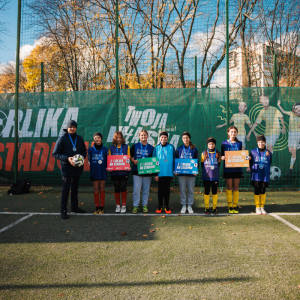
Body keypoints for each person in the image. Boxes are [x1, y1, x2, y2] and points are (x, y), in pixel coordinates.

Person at [52, 120, 87, 219]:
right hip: (66, 168)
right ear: (67, 128)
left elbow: (84, 151)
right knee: (66, 190)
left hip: (77, 168)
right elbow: (55, 153)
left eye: (74, 127)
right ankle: (63, 210)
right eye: (70, 127)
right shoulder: (62, 138)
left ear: (76, 128)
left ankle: (74, 207)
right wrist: (67, 159)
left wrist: (81, 158)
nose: (72, 128)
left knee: (75, 189)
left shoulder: (79, 139)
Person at [130, 130, 154, 214]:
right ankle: (135, 206)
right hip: (137, 171)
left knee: (146, 190)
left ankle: (144, 205)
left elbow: (153, 160)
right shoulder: (135, 146)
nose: (143, 137)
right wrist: (133, 161)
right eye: (141, 135)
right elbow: (129, 156)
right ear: (139, 137)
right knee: (136, 189)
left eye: (145, 135)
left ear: (147, 136)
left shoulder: (151, 147)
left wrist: (152, 169)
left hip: (147, 172)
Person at [175, 132, 198, 214]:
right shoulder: (179, 149)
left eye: (187, 138)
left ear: (189, 139)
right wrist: (176, 170)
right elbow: (176, 160)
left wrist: (196, 169)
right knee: (182, 190)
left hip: (191, 173)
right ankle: (184, 205)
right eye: (184, 138)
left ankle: (190, 205)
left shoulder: (194, 148)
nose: (185, 139)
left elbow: (196, 160)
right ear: (182, 139)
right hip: (181, 173)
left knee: (191, 190)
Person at [221, 126, 243, 214]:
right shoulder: (224, 143)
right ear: (228, 133)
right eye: (231, 132)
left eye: (234, 132)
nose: (233, 133)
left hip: (237, 168)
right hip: (228, 168)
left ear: (237, 133)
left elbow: (241, 154)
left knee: (236, 186)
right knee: (229, 186)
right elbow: (222, 155)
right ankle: (230, 205)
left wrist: (246, 157)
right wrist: (222, 157)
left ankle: (235, 205)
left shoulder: (240, 143)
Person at [152, 131, 175, 214]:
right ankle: (160, 206)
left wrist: (173, 171)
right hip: (160, 173)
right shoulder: (156, 148)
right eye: (162, 137)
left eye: (165, 137)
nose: (163, 138)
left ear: (167, 138)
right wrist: (155, 174)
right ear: (159, 138)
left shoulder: (171, 147)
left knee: (167, 190)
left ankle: (166, 206)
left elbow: (174, 160)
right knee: (160, 190)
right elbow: (154, 161)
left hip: (169, 172)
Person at [249, 135, 272, 215]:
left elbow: (269, 164)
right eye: (259, 142)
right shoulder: (253, 151)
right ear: (257, 143)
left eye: (262, 142)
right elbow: (248, 161)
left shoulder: (269, 153)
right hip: (256, 175)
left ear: (264, 142)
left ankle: (262, 207)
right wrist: (248, 164)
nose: (260, 143)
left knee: (263, 190)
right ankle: (257, 207)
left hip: (264, 175)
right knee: (257, 190)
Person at [108, 131, 130, 213]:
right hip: (114, 172)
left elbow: (128, 158)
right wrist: (109, 167)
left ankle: (123, 205)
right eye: (117, 137)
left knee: (123, 188)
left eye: (120, 137)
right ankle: (118, 205)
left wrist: (128, 166)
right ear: (114, 138)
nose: (118, 139)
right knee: (116, 188)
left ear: (122, 138)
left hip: (124, 172)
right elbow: (109, 159)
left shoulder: (126, 147)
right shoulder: (111, 148)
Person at [277, 101, 300, 176]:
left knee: (293, 151)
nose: (298, 111)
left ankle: (290, 169)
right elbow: (283, 111)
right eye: (297, 109)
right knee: (290, 150)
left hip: (297, 134)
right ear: (294, 110)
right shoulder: (291, 113)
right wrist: (279, 105)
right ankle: (298, 146)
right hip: (290, 133)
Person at [88, 132, 109, 214]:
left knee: (102, 188)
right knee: (96, 188)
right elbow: (89, 160)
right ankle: (97, 207)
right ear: (94, 139)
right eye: (95, 138)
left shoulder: (106, 150)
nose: (97, 139)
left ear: (101, 139)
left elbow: (108, 160)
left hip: (102, 171)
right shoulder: (90, 150)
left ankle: (102, 207)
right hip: (94, 171)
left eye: (98, 138)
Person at [201, 137, 221, 214]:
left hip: (215, 176)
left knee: (214, 191)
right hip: (206, 176)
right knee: (206, 191)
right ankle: (206, 207)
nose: (211, 145)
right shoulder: (203, 153)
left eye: (212, 144)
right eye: (209, 144)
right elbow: (202, 165)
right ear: (207, 145)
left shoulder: (218, 153)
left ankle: (214, 207)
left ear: (215, 144)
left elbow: (218, 164)